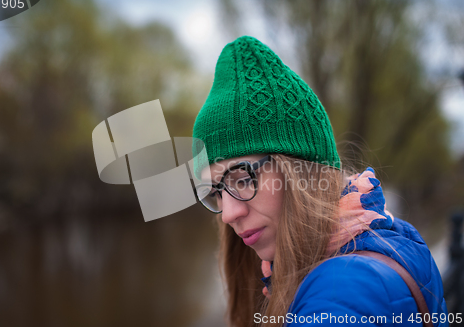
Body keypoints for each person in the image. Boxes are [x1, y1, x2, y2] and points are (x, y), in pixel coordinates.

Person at [191, 35, 448, 327]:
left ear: (300, 170)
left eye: (242, 179)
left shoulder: (343, 294)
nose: (228, 214)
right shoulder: (386, 234)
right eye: (216, 192)